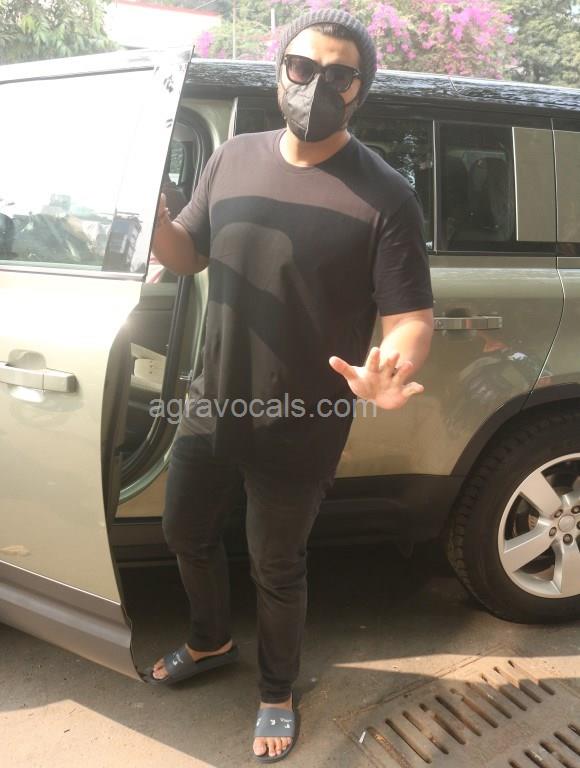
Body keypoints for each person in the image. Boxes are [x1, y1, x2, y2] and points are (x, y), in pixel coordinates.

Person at [145, 8, 435, 762]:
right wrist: (155, 220)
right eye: (302, 69)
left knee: (276, 566)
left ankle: (276, 690)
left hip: (302, 422)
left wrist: (393, 366)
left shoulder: (386, 195)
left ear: (361, 89)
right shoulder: (231, 158)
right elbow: (188, 255)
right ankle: (210, 641)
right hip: (212, 402)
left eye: (339, 76)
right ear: (280, 72)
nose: (316, 87)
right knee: (183, 531)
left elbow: (409, 317)